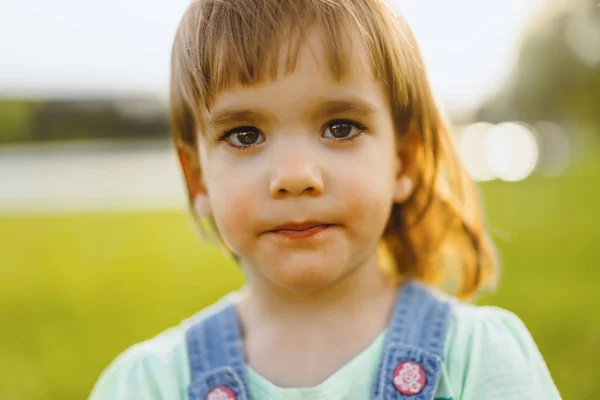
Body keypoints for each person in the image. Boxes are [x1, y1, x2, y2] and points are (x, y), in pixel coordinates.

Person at [89, 0, 561, 399]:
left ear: (404, 162)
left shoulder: (479, 361)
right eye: (244, 134)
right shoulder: (148, 384)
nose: (295, 177)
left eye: (341, 127)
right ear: (198, 180)